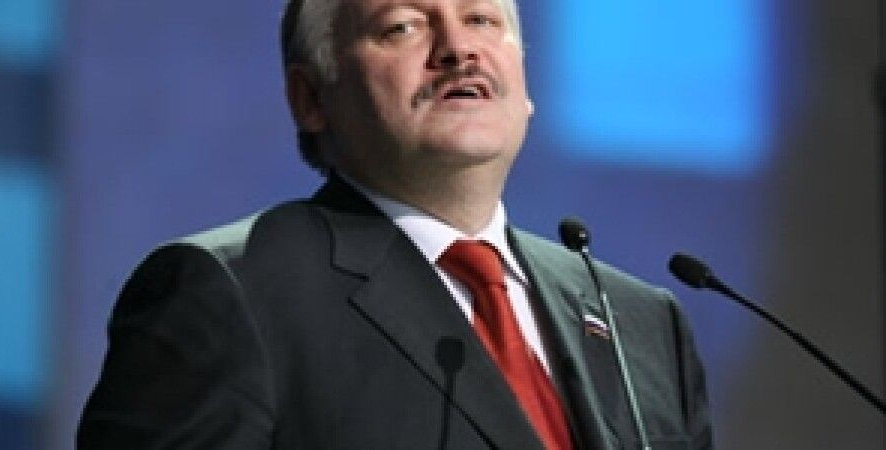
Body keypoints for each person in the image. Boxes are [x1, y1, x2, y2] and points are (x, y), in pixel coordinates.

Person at [77, 0, 713, 448]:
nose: (459, 49)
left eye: (482, 20)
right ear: (311, 98)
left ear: (524, 84)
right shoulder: (229, 293)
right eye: (403, 27)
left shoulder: (641, 322)